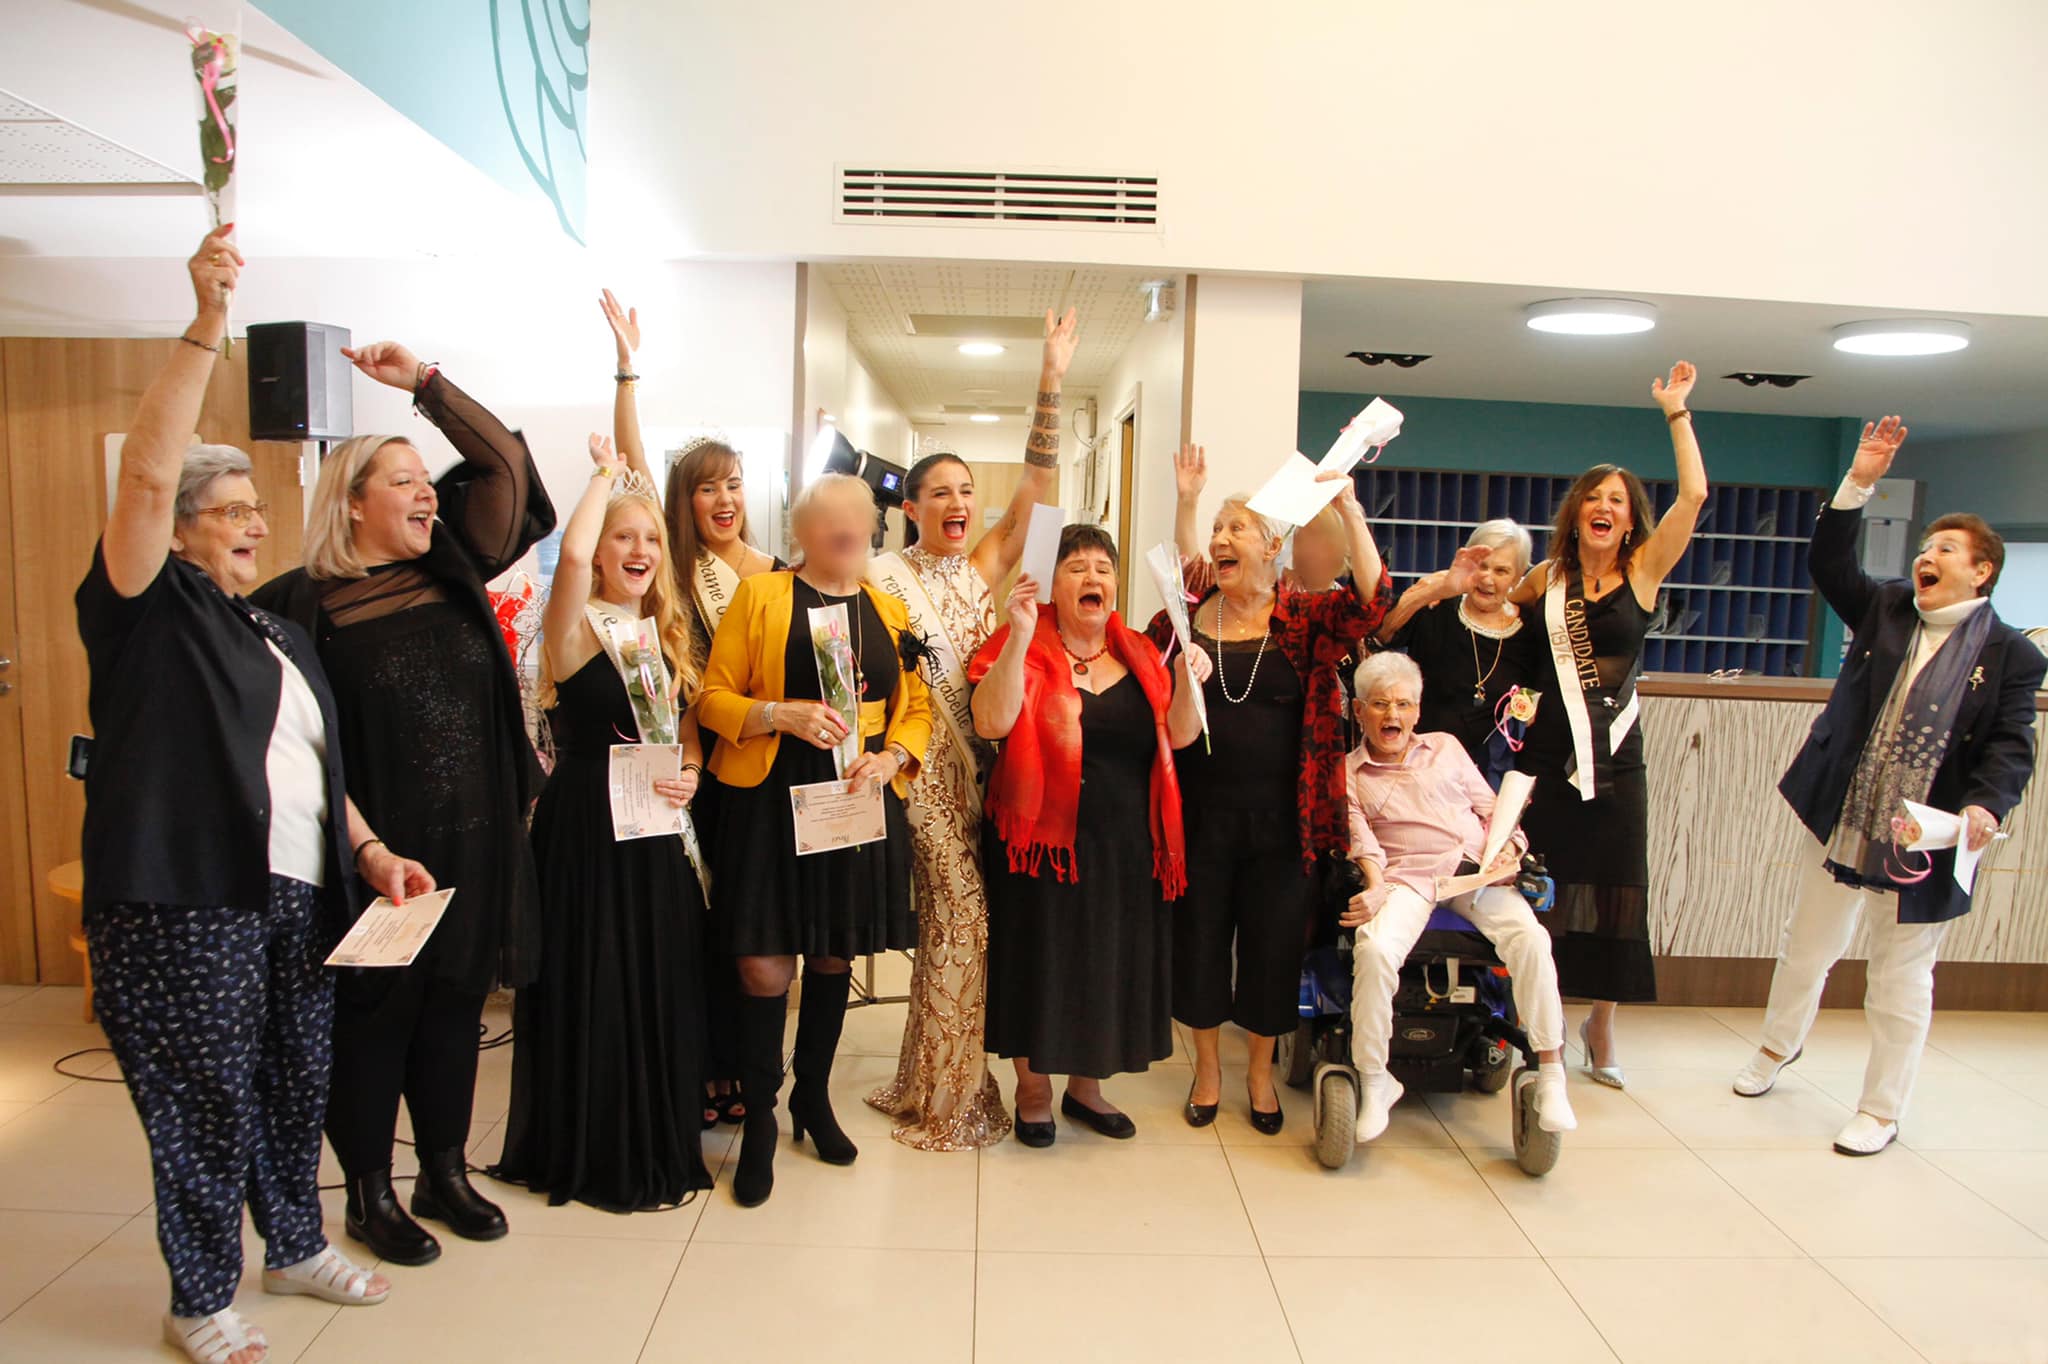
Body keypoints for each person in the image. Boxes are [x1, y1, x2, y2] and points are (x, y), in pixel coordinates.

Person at [77, 228, 427, 1364]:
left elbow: (315, 768)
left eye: (251, 507)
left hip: (294, 895)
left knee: (293, 1076)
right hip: (186, 899)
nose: (251, 522)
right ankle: (198, 1292)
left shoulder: (275, 627)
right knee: (205, 1097)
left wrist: (370, 853)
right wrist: (205, 325)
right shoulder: (144, 609)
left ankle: (292, 1239)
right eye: (226, 508)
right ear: (174, 528)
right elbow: (141, 466)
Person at [253, 336, 557, 1264]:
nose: (429, 492)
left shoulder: (452, 567)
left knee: (456, 1012)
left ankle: (443, 1171)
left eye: (429, 480)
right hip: (378, 853)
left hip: (477, 837)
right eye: (403, 481)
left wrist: (423, 385)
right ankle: (370, 1195)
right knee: (377, 1024)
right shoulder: (299, 605)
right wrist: (364, 848)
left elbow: (506, 464)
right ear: (351, 503)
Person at [1734, 416, 2045, 1155]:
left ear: (1983, 571)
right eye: (1925, 547)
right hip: (1845, 810)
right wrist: (1860, 481)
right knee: (1807, 944)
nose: (1927, 557)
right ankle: (1778, 1048)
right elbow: (1830, 564)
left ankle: (1881, 1107)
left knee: (1901, 973)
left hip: (1928, 832)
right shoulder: (1889, 608)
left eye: (1945, 550)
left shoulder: (2008, 654)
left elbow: (2011, 742)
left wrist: (1984, 803)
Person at [862, 307, 1078, 1150]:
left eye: (964, 490)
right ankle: (950, 1098)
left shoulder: (982, 565)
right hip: (922, 779)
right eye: (939, 492)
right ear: (911, 507)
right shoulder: (884, 579)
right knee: (965, 922)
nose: (957, 501)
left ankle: (928, 1075)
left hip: (987, 778)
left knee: (956, 927)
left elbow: (1038, 490)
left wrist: (1050, 379)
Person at [696, 473, 934, 1206]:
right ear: (803, 535)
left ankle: (813, 1099)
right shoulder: (761, 596)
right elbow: (711, 698)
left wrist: (895, 755)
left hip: (854, 803)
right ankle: (763, 1118)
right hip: (769, 802)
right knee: (766, 966)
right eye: (833, 532)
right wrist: (778, 713)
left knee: (833, 955)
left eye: (859, 530)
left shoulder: (886, 607)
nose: (849, 542)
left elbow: (914, 704)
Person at [492, 435, 715, 1209]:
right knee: (594, 981)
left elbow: (681, 733)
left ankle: (653, 1126)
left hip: (653, 825)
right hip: (586, 826)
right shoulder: (575, 622)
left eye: (652, 538)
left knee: (655, 980)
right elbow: (576, 547)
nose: (641, 549)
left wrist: (688, 771)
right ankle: (588, 1140)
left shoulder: (661, 637)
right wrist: (600, 479)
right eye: (626, 536)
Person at [1161, 448, 1394, 1132]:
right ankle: (1207, 1071)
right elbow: (1178, 570)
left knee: (1270, 950)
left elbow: (1373, 600)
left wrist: (1349, 508)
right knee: (1200, 945)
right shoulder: (1192, 611)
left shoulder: (1308, 616)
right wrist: (1188, 501)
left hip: (1286, 825)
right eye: (1217, 530)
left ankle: (1260, 1076)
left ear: (1272, 545)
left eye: (1235, 528)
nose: (1220, 539)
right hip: (1201, 820)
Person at [1505, 362, 1708, 1089]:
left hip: (1617, 760)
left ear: (1629, 518)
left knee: (1619, 889)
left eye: (1617, 500)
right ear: (1575, 513)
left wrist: (1676, 414)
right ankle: (1546, 1019)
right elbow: (1500, 631)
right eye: (1593, 497)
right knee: (1547, 888)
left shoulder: (1644, 572)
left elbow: (1695, 495)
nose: (1604, 507)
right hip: (1550, 761)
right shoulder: (1545, 582)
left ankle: (1604, 1020)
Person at [602, 289, 773, 1130]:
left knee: (747, 927)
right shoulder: (670, 560)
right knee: (698, 929)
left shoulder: (770, 568)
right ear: (687, 500)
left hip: (748, 767)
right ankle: (704, 1072)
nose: (724, 499)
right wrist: (629, 371)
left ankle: (748, 1069)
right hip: (680, 767)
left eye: (734, 484)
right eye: (707, 488)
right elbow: (632, 469)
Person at [971, 526, 1200, 1145]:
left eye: (1103, 568)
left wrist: (1187, 673)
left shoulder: (1143, 654)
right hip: (1038, 845)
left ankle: (1086, 1088)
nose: (1092, 578)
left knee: (1104, 963)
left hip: (1125, 846)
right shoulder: (1021, 640)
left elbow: (1178, 737)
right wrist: (1019, 635)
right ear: (1053, 584)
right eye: (1076, 567)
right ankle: (1034, 1090)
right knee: (1040, 962)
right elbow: (991, 721)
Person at [1342, 653, 1576, 1142]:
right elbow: (1360, 841)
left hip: (1475, 872)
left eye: (1404, 704)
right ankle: (1375, 1077)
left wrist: (1510, 848)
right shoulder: (1350, 772)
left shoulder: (1446, 747)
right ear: (1359, 710)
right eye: (1381, 705)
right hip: (1408, 878)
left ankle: (1552, 1071)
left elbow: (1494, 810)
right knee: (1376, 949)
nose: (1393, 716)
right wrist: (1372, 885)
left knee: (1530, 938)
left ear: (1418, 709)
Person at [1374, 520, 1533, 782]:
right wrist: (1436, 589)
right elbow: (1382, 634)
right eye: (1481, 565)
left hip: (1490, 778)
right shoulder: (1438, 605)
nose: (1487, 578)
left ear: (1517, 577)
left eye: (1501, 570)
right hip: (1420, 770)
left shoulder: (1529, 629)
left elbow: (1535, 693)